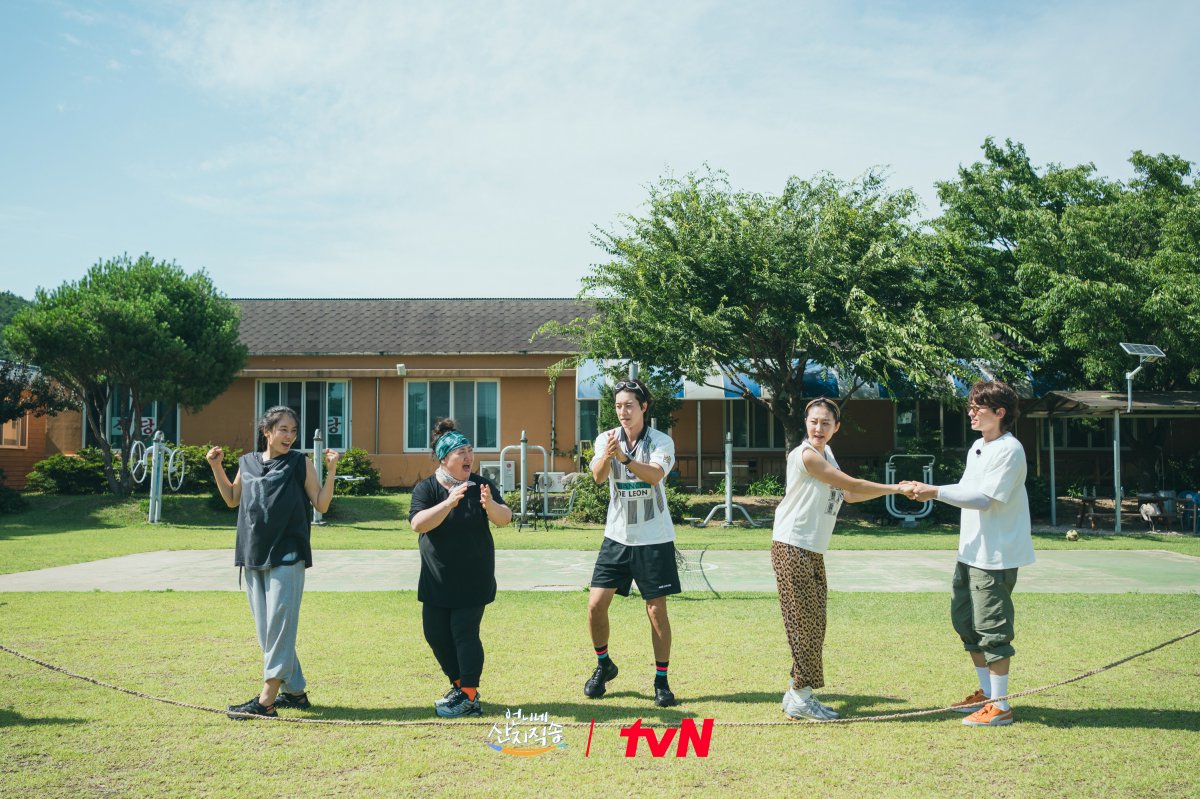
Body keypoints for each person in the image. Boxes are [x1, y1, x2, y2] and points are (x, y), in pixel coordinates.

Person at [902, 380, 1034, 727]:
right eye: (971, 406)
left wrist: (934, 492)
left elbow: (983, 499)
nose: (971, 412)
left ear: (999, 412)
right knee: (966, 623)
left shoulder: (1010, 450)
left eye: (978, 407)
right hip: (970, 552)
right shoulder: (978, 446)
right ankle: (986, 694)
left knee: (993, 629)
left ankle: (1001, 706)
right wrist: (928, 489)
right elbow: (965, 488)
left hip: (996, 555)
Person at [772, 397, 903, 721]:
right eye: (814, 421)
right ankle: (801, 697)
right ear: (806, 423)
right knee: (804, 625)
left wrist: (891, 491)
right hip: (792, 545)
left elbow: (851, 494)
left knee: (814, 623)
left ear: (836, 427)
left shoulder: (826, 453)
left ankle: (796, 693)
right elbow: (852, 484)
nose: (819, 428)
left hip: (811, 549)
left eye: (826, 423)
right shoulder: (805, 455)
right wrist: (897, 488)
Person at [207, 405, 340, 719]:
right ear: (266, 431)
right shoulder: (247, 463)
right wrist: (216, 467)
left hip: (288, 554)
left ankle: (266, 700)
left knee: (279, 625)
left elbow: (320, 502)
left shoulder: (299, 463)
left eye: (294, 431)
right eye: (283, 430)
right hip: (252, 554)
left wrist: (331, 471)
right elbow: (231, 498)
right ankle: (294, 692)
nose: (290, 437)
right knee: (268, 631)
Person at [584, 378, 681, 708]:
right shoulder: (606, 439)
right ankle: (603, 665)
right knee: (596, 605)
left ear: (644, 407)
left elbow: (654, 476)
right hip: (617, 537)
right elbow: (597, 477)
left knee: (656, 611)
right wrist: (606, 457)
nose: (622, 412)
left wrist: (624, 459)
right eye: (617, 406)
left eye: (629, 405)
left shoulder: (660, 440)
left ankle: (661, 681)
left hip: (654, 539)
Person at [409, 419, 512, 718]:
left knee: (464, 633)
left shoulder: (481, 485)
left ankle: (469, 696)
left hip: (473, 578)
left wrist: (490, 505)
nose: (468, 456)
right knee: (435, 634)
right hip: (436, 579)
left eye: (470, 450)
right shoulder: (426, 488)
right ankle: (459, 686)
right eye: (460, 452)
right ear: (444, 459)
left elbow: (504, 518)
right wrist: (448, 503)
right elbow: (418, 523)